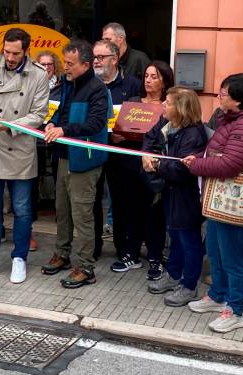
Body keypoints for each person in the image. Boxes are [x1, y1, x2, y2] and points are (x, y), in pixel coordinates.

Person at [182, 73, 243, 333]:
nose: (219, 97)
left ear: (238, 100)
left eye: (223, 94)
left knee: (234, 257)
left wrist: (196, 165)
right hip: (220, 202)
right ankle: (217, 294)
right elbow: (217, 151)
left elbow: (231, 163)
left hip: (235, 203)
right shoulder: (229, 119)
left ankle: (235, 309)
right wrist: (198, 157)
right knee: (216, 249)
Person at [0, 27, 50, 284]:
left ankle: (19, 258)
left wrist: (11, 125)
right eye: (6, 51)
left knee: (23, 210)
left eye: (16, 53)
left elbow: (39, 114)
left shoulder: (39, 74)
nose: (10, 57)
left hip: (20, 147)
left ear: (27, 50)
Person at [41, 39, 110, 289]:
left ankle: (86, 267)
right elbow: (61, 112)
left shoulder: (97, 89)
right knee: (62, 210)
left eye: (70, 64)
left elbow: (95, 124)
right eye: (65, 62)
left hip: (85, 161)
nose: (65, 68)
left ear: (86, 64)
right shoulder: (69, 84)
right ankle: (62, 254)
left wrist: (63, 129)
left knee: (82, 216)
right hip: (63, 156)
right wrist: (52, 123)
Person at [142, 87, 208, 306]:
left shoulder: (193, 134)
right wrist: (146, 156)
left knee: (188, 239)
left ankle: (189, 285)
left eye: (168, 103)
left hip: (187, 196)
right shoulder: (167, 125)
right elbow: (149, 138)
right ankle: (173, 275)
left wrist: (157, 165)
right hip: (170, 193)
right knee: (175, 235)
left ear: (180, 108)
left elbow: (182, 170)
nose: (163, 106)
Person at [93, 40, 145, 273]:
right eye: (94, 56)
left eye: (101, 57)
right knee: (92, 201)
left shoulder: (133, 85)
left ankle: (124, 248)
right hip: (92, 150)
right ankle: (93, 247)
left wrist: (128, 136)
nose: (96, 61)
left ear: (114, 60)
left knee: (123, 202)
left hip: (122, 154)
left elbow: (143, 119)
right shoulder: (89, 84)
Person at [128, 61, 174, 282]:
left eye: (154, 76)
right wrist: (118, 134)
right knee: (132, 209)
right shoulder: (134, 103)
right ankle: (132, 252)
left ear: (164, 80)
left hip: (155, 168)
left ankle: (155, 256)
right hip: (129, 164)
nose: (148, 80)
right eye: (146, 75)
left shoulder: (169, 106)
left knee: (154, 213)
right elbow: (119, 129)